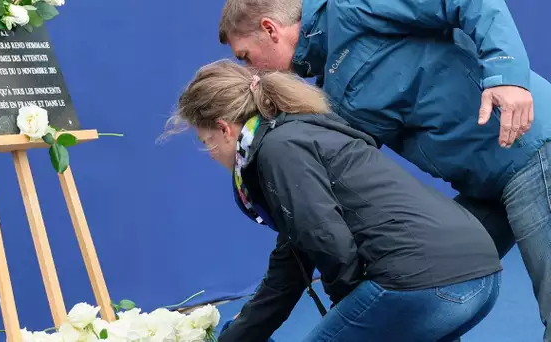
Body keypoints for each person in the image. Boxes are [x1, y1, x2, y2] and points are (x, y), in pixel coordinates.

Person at [217, 0, 551, 339]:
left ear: (270, 30)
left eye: (245, 56)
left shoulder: (352, 6)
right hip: (486, 185)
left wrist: (507, 77)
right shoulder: (332, 91)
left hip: (533, 148)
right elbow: (312, 220)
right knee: (429, 276)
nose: (253, 74)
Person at [161, 59, 502, 341]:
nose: (209, 154)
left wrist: (349, 310)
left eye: (207, 141)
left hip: (424, 285)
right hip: (480, 278)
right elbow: (291, 262)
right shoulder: (299, 133)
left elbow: (325, 238)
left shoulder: (278, 150)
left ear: (225, 128)